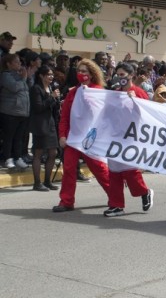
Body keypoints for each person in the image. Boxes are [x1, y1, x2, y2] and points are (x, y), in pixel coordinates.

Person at [53, 59, 111, 212]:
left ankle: (115, 196)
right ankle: (66, 201)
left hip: (91, 139)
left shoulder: (98, 92)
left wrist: (88, 96)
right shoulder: (73, 92)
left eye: (85, 71)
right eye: (79, 71)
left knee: (99, 169)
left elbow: (102, 115)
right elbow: (64, 117)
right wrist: (62, 136)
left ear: (92, 74)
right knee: (69, 169)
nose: (81, 74)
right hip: (73, 138)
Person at [104, 62, 154, 217]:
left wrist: (135, 101)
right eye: (117, 75)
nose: (119, 78)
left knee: (131, 172)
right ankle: (116, 205)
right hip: (116, 137)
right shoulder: (115, 93)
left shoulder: (138, 92)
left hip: (133, 138)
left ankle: (145, 192)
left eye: (122, 75)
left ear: (131, 75)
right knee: (114, 173)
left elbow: (148, 114)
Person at [29, 66, 61, 191]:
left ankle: (47, 181)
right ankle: (37, 182)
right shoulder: (36, 89)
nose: (51, 77)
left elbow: (51, 106)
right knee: (38, 153)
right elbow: (38, 107)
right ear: (41, 75)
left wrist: (57, 100)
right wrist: (51, 97)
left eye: (52, 74)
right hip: (40, 124)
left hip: (50, 123)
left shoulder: (51, 88)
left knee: (53, 152)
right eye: (48, 74)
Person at [0, 54, 30, 169]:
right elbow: (14, 87)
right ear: (9, 64)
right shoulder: (5, 75)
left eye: (19, 62)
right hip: (10, 111)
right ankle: (8, 158)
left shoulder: (19, 75)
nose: (19, 64)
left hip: (22, 112)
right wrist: (23, 78)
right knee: (9, 137)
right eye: (16, 62)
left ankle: (17, 157)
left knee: (19, 137)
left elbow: (27, 88)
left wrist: (26, 77)